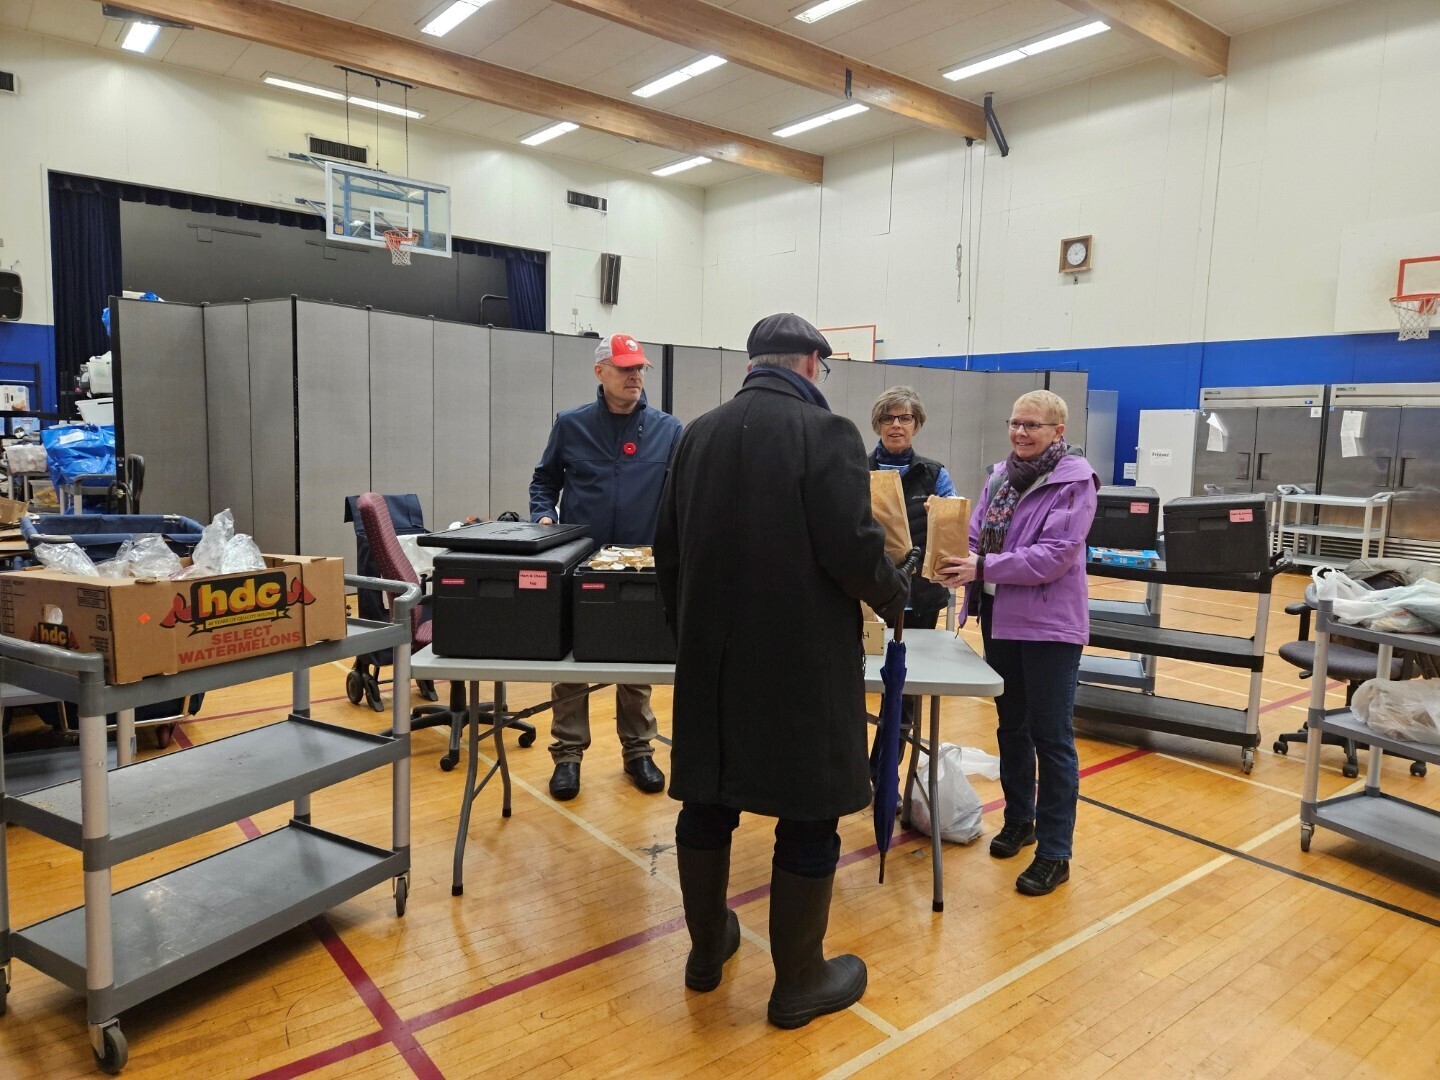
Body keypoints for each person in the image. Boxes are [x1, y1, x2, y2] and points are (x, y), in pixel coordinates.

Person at [655, 313, 910, 1029]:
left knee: (706, 803)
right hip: (800, 665)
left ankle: (706, 955)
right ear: (808, 363)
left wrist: (691, 637)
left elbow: (665, 549)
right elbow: (851, 547)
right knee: (807, 815)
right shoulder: (824, 434)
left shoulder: (696, 434)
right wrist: (897, 594)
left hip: (710, 662)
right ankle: (798, 980)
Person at [937, 389, 1097, 897]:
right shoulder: (999, 478)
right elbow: (976, 533)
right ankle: (1019, 820)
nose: (1020, 433)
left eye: (1032, 425)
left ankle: (1055, 852)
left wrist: (981, 565)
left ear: (1058, 433)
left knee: (1052, 738)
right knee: (1012, 728)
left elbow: (1053, 555)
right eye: (1015, 423)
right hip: (1000, 619)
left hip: (1049, 627)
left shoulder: (1075, 483)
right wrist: (956, 559)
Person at [530, 333, 683, 801]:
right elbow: (544, 480)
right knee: (572, 661)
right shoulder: (571, 425)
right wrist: (543, 516)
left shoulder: (668, 429)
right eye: (625, 368)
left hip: (640, 565)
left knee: (636, 660)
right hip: (579, 562)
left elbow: (681, 493)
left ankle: (638, 751)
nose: (635, 376)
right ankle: (568, 755)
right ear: (601, 373)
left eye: (639, 369)